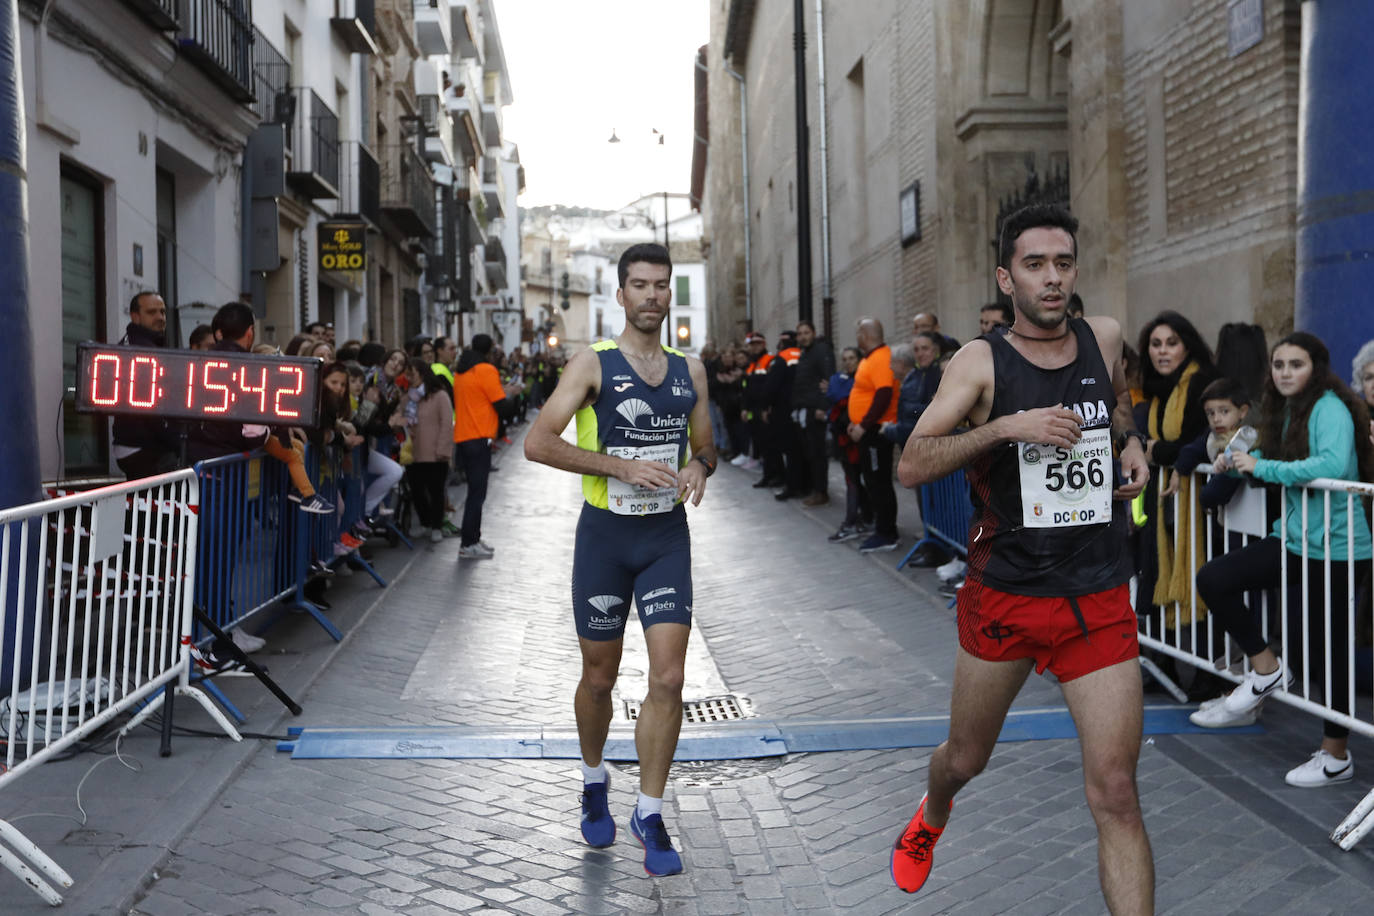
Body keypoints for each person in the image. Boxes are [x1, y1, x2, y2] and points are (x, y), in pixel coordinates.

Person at [891, 204, 1153, 912]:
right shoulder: (978, 363)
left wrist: (1132, 442)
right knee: (966, 759)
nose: (1052, 279)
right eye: (1035, 266)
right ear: (1007, 278)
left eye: (1063, 263)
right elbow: (912, 464)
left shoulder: (1103, 335)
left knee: (1117, 790)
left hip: (1097, 593)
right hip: (1006, 594)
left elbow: (1119, 400)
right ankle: (933, 813)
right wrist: (1007, 425)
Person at [524, 243, 715, 878]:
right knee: (600, 679)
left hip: (665, 540)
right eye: (640, 285)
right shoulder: (593, 365)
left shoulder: (691, 370)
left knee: (668, 679)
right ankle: (592, 776)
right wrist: (619, 466)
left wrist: (696, 465)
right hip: (605, 540)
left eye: (661, 285)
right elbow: (538, 442)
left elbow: (708, 446)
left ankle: (650, 810)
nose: (653, 295)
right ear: (621, 294)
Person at [1189, 333, 1374, 787]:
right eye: (1278, 364)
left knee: (1328, 652)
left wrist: (1261, 468)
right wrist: (1240, 458)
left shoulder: (1329, 405)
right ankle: (1268, 670)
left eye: (1296, 364)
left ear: (1316, 367)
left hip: (1337, 545)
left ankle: (1336, 755)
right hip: (1293, 539)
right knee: (1215, 578)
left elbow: (1331, 464)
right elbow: (1277, 454)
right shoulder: (1287, 407)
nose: (1285, 372)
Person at [452, 334, 521, 558]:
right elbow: (502, 407)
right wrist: (511, 394)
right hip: (479, 436)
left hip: (464, 435)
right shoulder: (485, 370)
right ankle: (468, 543)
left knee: (474, 492)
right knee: (477, 493)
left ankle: (472, 538)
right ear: (490, 351)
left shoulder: (461, 371)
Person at [111, 291, 181, 478]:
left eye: (163, 312)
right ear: (135, 316)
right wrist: (179, 443)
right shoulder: (143, 352)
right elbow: (152, 411)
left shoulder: (131, 343)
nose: (160, 317)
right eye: (152, 312)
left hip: (131, 444)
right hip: (142, 447)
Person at [847, 318, 900, 552]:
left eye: (858, 332)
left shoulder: (880, 357)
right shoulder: (871, 358)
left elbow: (883, 395)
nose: (856, 337)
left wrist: (864, 425)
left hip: (876, 433)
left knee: (879, 482)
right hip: (868, 431)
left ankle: (886, 533)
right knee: (873, 480)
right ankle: (882, 527)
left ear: (866, 335)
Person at [400, 359, 454, 543]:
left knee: (436, 490)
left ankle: (437, 525)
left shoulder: (439, 395)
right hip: (413, 452)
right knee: (417, 490)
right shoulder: (408, 397)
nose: (409, 378)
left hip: (435, 453)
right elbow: (402, 418)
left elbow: (447, 423)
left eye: (412, 373)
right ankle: (425, 523)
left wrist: (442, 448)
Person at [826, 346, 872, 542]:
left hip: (862, 437)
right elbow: (833, 394)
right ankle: (856, 519)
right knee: (852, 480)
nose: (848, 362)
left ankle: (861, 520)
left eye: (852, 357)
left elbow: (845, 396)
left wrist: (845, 394)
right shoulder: (838, 378)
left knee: (866, 481)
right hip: (844, 439)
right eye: (845, 358)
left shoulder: (863, 379)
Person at [793, 320, 836, 507]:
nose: (803, 336)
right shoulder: (804, 354)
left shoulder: (821, 351)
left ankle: (821, 491)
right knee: (810, 452)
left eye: (806, 333)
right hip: (805, 410)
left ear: (813, 333)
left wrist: (822, 407)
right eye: (800, 333)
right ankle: (816, 488)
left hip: (816, 410)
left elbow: (828, 380)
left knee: (818, 453)